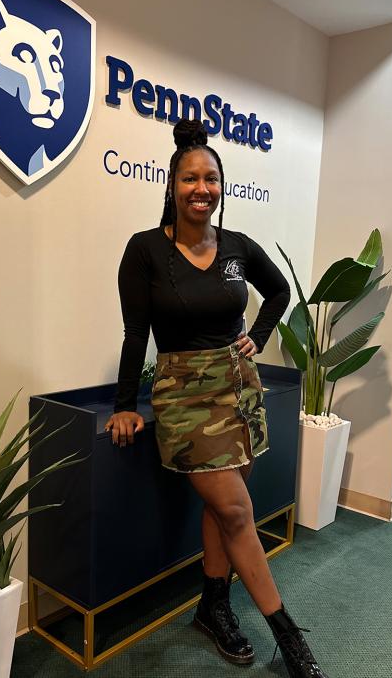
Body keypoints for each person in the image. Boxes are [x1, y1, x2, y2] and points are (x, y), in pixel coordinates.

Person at [105, 119, 328, 678]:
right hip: (182, 392)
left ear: (220, 187)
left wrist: (261, 334)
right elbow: (135, 334)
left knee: (223, 508)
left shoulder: (236, 248)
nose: (200, 189)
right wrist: (125, 404)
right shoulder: (145, 251)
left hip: (238, 386)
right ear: (172, 185)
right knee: (235, 509)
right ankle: (289, 638)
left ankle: (213, 605)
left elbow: (278, 291)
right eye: (189, 179)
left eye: (210, 179)